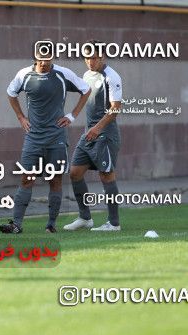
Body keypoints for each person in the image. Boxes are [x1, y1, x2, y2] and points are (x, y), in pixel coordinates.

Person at [0, 41, 91, 234]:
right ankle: (16, 224)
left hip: (56, 138)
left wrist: (72, 115)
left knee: (55, 180)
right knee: (26, 179)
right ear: (34, 57)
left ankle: (51, 225)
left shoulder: (62, 74)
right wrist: (20, 117)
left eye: (48, 57)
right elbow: (10, 93)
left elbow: (86, 90)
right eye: (41, 57)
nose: (44, 61)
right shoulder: (23, 75)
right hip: (33, 138)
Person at [63, 40, 123, 232]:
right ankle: (85, 218)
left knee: (106, 176)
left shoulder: (112, 77)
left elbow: (115, 109)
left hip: (105, 134)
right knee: (75, 173)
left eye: (94, 58)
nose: (90, 61)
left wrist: (97, 128)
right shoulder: (87, 75)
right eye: (87, 58)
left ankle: (114, 223)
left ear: (102, 56)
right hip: (89, 134)